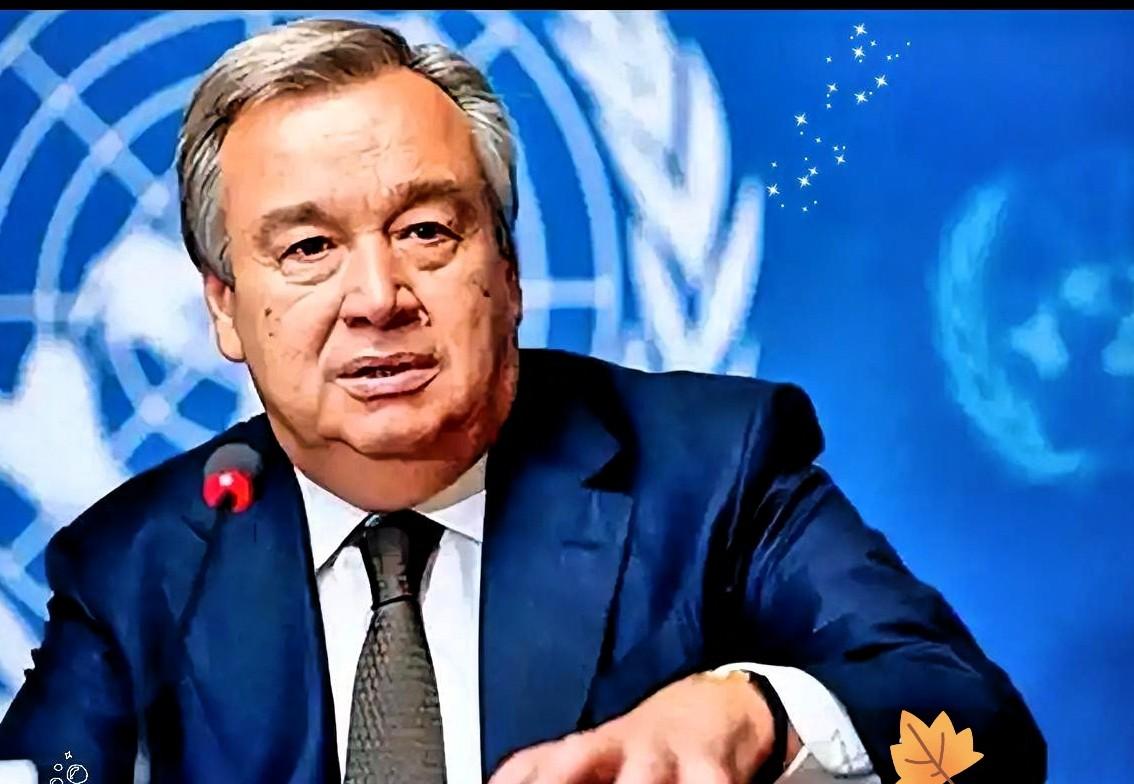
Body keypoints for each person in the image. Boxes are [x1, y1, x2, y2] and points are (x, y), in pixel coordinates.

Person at [0, 18, 1045, 784]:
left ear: (506, 272)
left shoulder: (710, 471)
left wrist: (755, 715)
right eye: (309, 248)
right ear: (226, 308)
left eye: (426, 231)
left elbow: (978, 727)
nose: (377, 298)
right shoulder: (140, 560)